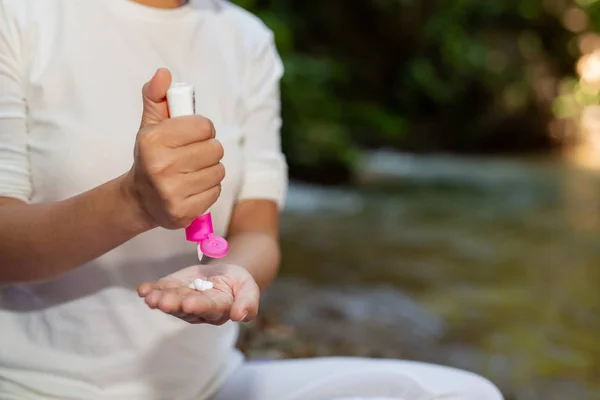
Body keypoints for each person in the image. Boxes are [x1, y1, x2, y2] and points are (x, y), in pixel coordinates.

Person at [0, 0, 504, 399]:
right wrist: (133, 203)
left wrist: (230, 277)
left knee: (460, 393)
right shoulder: (21, 17)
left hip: (213, 385)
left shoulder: (246, 39)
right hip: (39, 387)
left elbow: (257, 234)